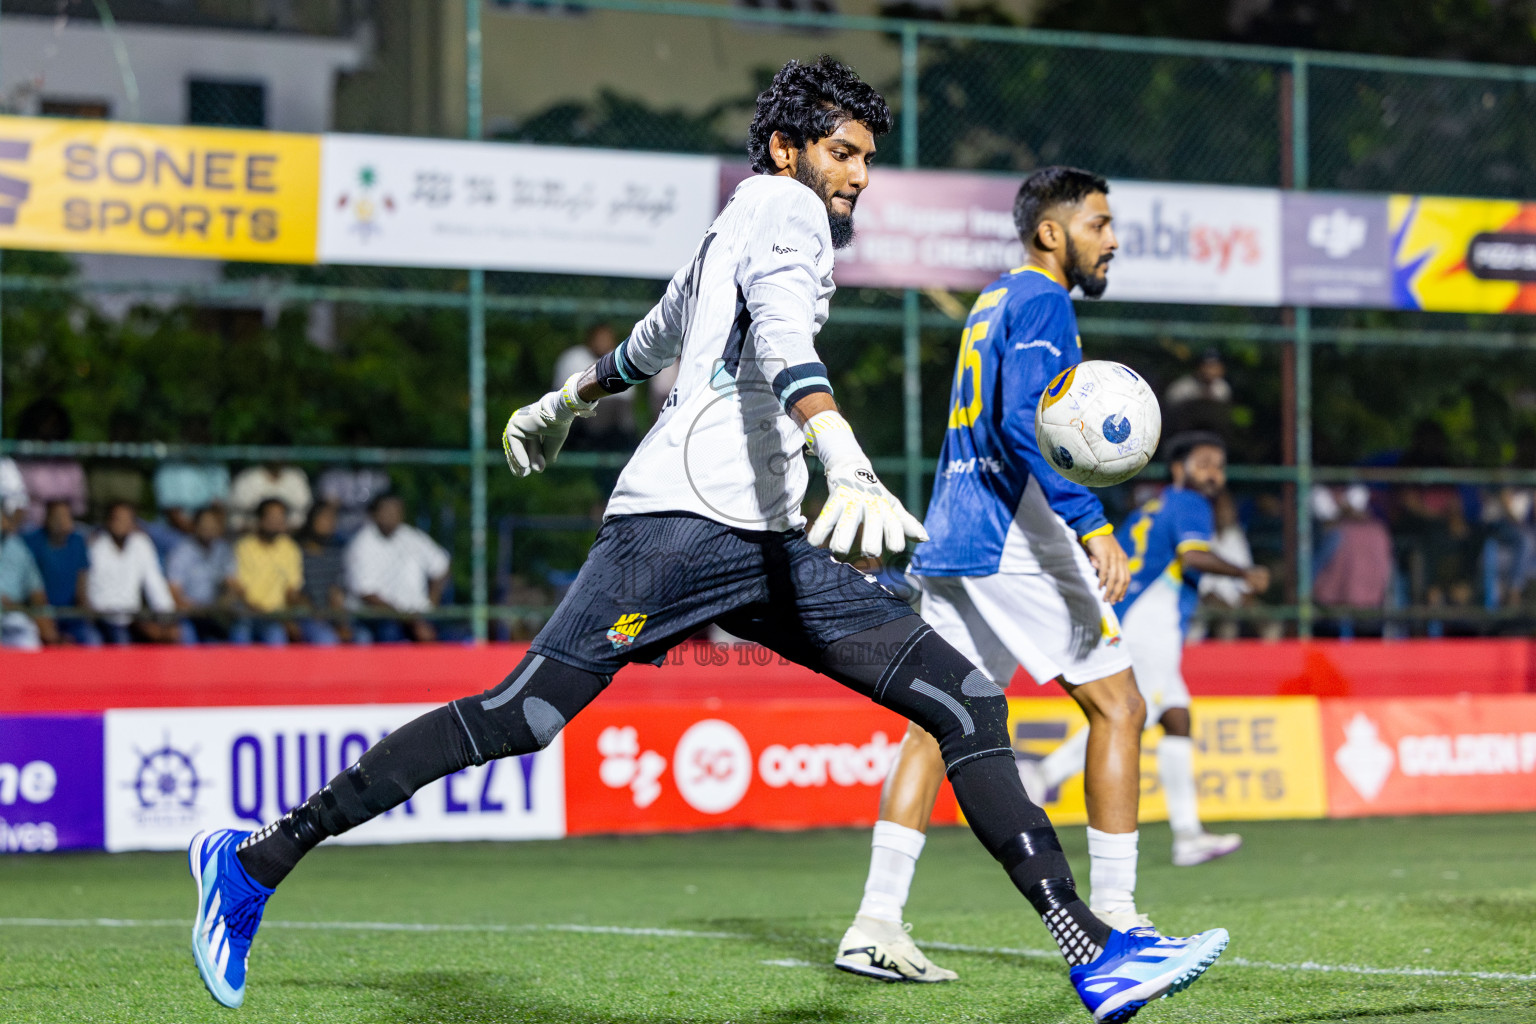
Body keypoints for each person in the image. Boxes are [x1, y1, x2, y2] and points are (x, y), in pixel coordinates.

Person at [188, 59, 1226, 1021]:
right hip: (681, 532)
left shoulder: (735, 223)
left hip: (763, 539)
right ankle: (254, 862)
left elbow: (652, 338)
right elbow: (779, 342)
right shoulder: (787, 212)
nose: (859, 175)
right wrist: (842, 455)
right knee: (523, 714)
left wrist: (564, 399)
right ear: (787, 148)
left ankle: (1094, 949)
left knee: (961, 697)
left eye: (866, 156)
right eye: (843, 153)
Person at [835, 167, 1157, 985]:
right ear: (1052, 233)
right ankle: (1118, 919)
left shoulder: (992, 300)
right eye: (1099, 223)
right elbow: (1025, 418)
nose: (1111, 239)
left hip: (953, 530)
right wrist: (1089, 521)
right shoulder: (1046, 301)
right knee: (1119, 707)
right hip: (1012, 538)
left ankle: (875, 922)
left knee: (940, 722)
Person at [1022, 434, 1271, 867]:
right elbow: (1192, 557)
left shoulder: (1150, 507)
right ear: (1179, 469)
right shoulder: (1191, 504)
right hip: (1152, 623)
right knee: (1127, 717)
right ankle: (1042, 775)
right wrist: (1244, 573)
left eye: (1220, 465)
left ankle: (1188, 836)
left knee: (1176, 718)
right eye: (1205, 463)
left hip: (1127, 612)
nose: (1214, 473)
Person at [344, 494, 450, 643]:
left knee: (456, 633)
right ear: (374, 514)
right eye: (387, 511)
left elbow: (441, 566)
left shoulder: (411, 537)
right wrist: (410, 621)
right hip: (380, 618)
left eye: (396, 511)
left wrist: (431, 604)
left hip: (419, 615)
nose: (392, 516)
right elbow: (366, 593)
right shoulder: (361, 544)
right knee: (390, 632)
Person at [87, 500, 176, 644]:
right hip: (104, 617)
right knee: (122, 639)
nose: (121, 524)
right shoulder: (97, 546)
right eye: (117, 519)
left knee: (174, 634)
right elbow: (96, 595)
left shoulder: (141, 543)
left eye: (126, 519)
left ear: (133, 523)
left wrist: (168, 619)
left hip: (134, 617)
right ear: (109, 521)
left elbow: (155, 583)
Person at [24, 500, 100, 645]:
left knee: (92, 640)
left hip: (71, 615)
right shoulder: (32, 542)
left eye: (65, 516)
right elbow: (30, 585)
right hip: (40, 614)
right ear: (46, 519)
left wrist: (84, 611)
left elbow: (82, 581)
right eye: (56, 516)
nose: (61, 521)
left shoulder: (77, 542)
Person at [552, 323, 637, 451]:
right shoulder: (573, 358)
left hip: (610, 429)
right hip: (577, 425)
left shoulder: (621, 360)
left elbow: (624, 403)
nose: (602, 342)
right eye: (599, 337)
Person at [231, 498, 303, 646]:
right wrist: (261, 613)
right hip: (248, 613)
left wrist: (289, 618)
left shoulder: (290, 548)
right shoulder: (243, 547)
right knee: (240, 635)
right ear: (260, 519)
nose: (276, 522)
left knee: (276, 636)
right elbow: (239, 590)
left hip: (277, 617)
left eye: (280, 518)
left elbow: (292, 589)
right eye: (272, 517)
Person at [166, 506, 239, 644]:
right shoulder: (181, 552)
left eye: (213, 524)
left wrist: (226, 601)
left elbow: (232, 584)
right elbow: (174, 592)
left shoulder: (224, 551)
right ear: (195, 526)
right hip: (188, 614)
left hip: (214, 614)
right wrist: (194, 608)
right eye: (204, 524)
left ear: (219, 527)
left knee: (235, 635)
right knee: (186, 637)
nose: (208, 528)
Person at [1, 494, 57, 649]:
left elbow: (35, 590)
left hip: (13, 615)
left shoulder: (17, 548)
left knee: (29, 641)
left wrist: (44, 621)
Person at [297, 502, 352, 645]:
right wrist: (315, 614)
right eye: (324, 518)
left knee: (362, 637)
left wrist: (341, 623)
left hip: (334, 615)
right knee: (326, 640)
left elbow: (338, 593)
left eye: (332, 519)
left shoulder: (338, 552)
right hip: (307, 615)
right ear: (312, 520)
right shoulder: (298, 553)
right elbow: (296, 592)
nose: (329, 522)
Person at [229, 461, 311, 533]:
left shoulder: (296, 477)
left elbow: (304, 506)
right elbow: (237, 514)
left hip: (291, 536)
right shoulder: (248, 477)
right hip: (250, 536)